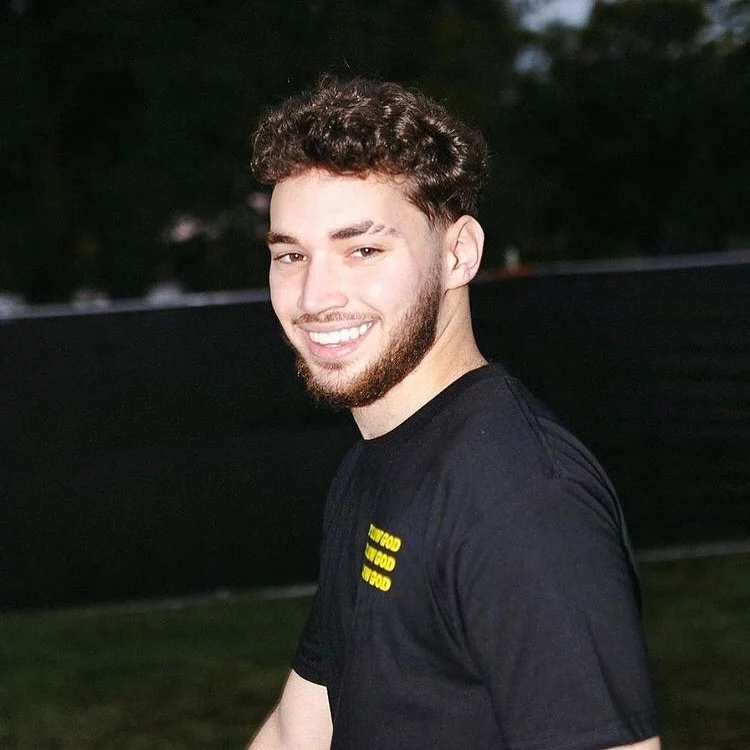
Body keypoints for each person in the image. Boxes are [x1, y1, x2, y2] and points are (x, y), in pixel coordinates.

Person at [247, 76, 660, 750]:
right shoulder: (374, 461)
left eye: (364, 250)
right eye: (291, 254)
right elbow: (303, 727)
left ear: (458, 253)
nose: (315, 295)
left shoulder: (520, 499)